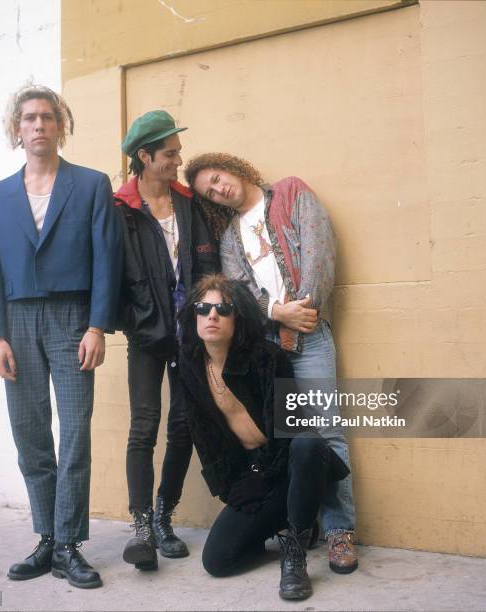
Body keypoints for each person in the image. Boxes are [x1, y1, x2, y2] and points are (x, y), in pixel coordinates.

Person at [184, 153, 358, 574]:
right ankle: (295, 522)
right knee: (281, 435)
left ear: (234, 168)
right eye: (210, 190)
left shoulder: (292, 193)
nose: (219, 188)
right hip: (266, 343)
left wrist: (303, 310)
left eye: (218, 177)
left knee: (326, 433)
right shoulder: (229, 237)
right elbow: (238, 296)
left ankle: (339, 532)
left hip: (311, 335)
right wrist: (277, 314)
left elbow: (320, 254)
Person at [0, 84, 122, 589]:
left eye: (47, 117)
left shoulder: (90, 185)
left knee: (76, 430)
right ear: (16, 130)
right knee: (30, 431)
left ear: (61, 125)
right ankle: (46, 536)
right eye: (29, 118)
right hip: (16, 322)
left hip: (72, 317)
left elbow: (108, 260)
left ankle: (69, 544)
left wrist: (97, 325)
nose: (38, 125)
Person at [178, 274, 349, 600]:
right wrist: (233, 488)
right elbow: (205, 441)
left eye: (222, 309)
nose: (211, 316)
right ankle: (289, 515)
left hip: (292, 464)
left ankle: (295, 552)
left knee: (309, 442)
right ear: (193, 315)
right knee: (218, 560)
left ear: (237, 316)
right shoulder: (189, 368)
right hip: (254, 473)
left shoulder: (267, 357)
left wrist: (263, 476)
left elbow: (291, 429)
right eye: (203, 308)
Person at [114, 110, 218, 570]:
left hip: (189, 334)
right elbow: (109, 273)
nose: (179, 160)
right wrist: (133, 318)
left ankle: (163, 516)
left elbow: (208, 265)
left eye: (178, 151)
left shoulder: (189, 204)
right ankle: (140, 526)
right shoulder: (121, 209)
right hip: (146, 334)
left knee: (183, 426)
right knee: (143, 426)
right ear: (145, 156)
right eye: (170, 153)